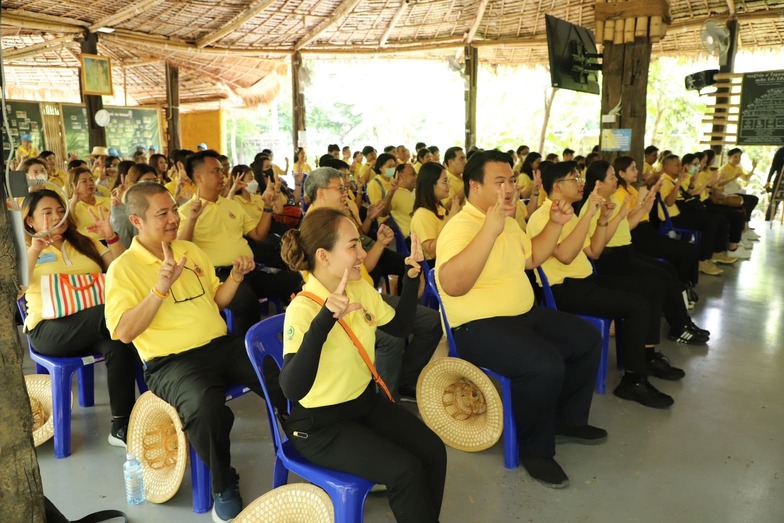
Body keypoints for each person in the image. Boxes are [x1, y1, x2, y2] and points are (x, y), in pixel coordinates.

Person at [105, 181, 280, 521]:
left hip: (219, 344)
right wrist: (159, 288)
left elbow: (217, 300)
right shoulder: (123, 269)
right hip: (171, 363)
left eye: (174, 209)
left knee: (276, 372)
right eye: (163, 213)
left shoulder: (189, 250)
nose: (174, 217)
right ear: (138, 221)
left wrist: (236, 279)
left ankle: (309, 439)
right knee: (205, 406)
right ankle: (223, 484)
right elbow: (124, 332)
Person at [436, 150, 605, 488]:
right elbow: (453, 286)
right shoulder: (460, 228)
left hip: (522, 315)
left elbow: (531, 258)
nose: (509, 188)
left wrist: (556, 225)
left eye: (511, 180)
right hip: (477, 326)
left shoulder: (510, 222)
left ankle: (567, 419)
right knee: (545, 363)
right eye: (499, 182)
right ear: (475, 185)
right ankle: (535, 450)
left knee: (587, 339)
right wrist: (490, 229)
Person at [279, 208, 446, 523]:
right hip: (320, 427)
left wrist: (411, 279)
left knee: (432, 451)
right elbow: (292, 387)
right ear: (323, 257)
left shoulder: (358, 288)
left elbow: (397, 328)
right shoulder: (302, 309)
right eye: (353, 246)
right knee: (405, 470)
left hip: (363, 404)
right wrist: (323, 323)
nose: (363, 253)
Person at [527, 162, 681, 408]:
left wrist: (604, 220)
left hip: (587, 281)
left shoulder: (569, 212)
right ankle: (632, 380)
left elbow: (594, 251)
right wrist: (588, 214)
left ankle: (647, 354)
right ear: (557, 186)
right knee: (636, 305)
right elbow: (565, 256)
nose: (580, 183)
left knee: (652, 287)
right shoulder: (542, 217)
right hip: (565, 290)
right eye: (574, 179)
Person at [22, 189, 137, 446]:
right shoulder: (25, 248)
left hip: (93, 326)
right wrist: (35, 249)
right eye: (47, 212)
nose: (57, 217)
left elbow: (121, 269)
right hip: (48, 330)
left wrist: (111, 237)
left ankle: (121, 424)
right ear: (30, 220)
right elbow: (17, 287)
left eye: (61, 211)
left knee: (119, 343)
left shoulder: (84, 240)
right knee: (113, 318)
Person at [581, 161, 709, 345]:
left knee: (668, 270)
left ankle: (683, 323)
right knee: (661, 279)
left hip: (626, 253)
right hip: (612, 260)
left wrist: (644, 207)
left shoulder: (613, 199)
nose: (615, 179)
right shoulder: (593, 206)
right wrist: (616, 217)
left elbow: (626, 226)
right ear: (598, 183)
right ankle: (679, 328)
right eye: (611, 177)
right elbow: (600, 245)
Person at [177, 150, 302, 334]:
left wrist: (267, 208)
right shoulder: (186, 212)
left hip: (248, 270)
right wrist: (193, 220)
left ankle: (297, 333)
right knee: (245, 302)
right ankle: (247, 351)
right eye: (216, 172)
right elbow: (181, 248)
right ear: (199, 177)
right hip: (218, 277)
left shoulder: (232, 205)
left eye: (221, 170)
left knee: (294, 281)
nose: (222, 176)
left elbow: (259, 235)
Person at [614, 156, 705, 283]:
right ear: (621, 173)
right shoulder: (618, 194)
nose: (637, 171)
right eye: (633, 169)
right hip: (638, 235)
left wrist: (651, 192)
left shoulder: (630, 188)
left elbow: (642, 206)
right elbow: (627, 222)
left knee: (690, 249)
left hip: (647, 230)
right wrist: (642, 201)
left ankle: (685, 286)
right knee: (687, 252)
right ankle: (682, 287)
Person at [658, 154, 737, 270]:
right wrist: (679, 182)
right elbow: (669, 202)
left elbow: (687, 196)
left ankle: (716, 252)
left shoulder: (672, 180)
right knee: (709, 223)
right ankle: (703, 259)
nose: (680, 167)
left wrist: (691, 183)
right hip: (674, 218)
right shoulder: (665, 181)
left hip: (682, 212)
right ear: (666, 167)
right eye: (677, 165)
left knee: (718, 219)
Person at [411, 162, 459, 263]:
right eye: (445, 181)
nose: (449, 186)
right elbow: (432, 252)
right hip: (439, 264)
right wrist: (450, 219)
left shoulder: (439, 207)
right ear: (431, 185)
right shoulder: (422, 215)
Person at [109, 163, 159, 248]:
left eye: (155, 181)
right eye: (147, 181)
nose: (152, 185)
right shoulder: (122, 208)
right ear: (132, 185)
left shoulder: (160, 202)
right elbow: (124, 244)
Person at [68, 166, 112, 242]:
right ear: (73, 185)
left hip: (111, 239)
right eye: (84, 181)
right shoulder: (69, 205)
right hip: (87, 244)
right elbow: (69, 228)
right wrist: (73, 203)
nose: (90, 183)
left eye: (91, 180)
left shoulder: (108, 201)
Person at [389, 163, 417, 238]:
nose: (416, 177)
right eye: (413, 174)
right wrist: (390, 192)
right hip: (413, 238)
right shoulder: (394, 194)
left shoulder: (417, 191)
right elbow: (383, 212)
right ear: (401, 176)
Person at [765, 146, 784, 221]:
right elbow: (774, 166)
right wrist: (768, 180)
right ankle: (768, 220)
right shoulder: (781, 151)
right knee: (774, 201)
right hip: (780, 178)